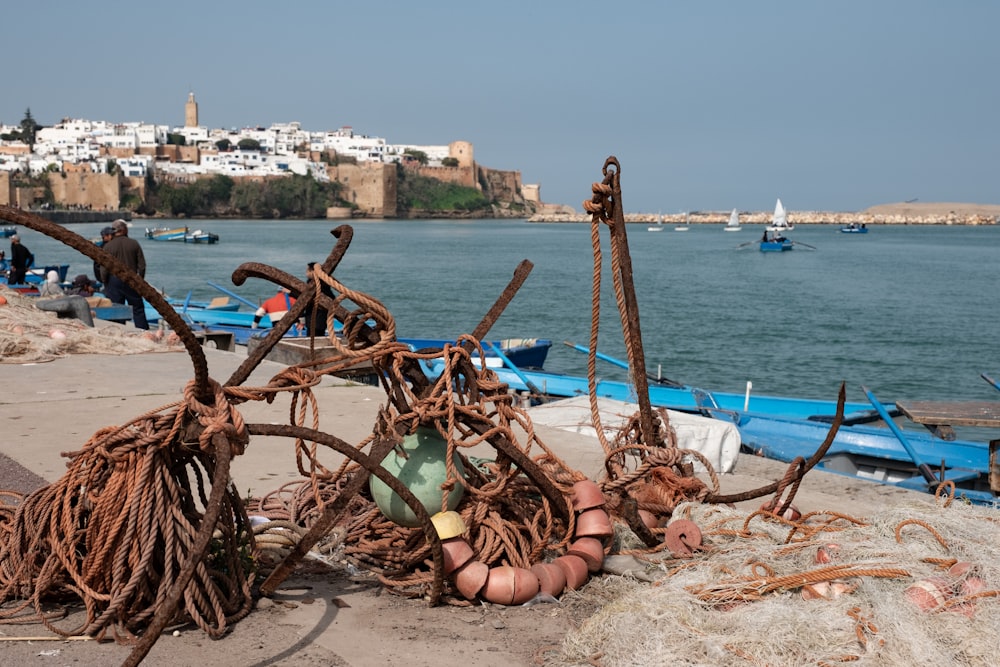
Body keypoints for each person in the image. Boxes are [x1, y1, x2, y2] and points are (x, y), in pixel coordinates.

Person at [99, 219, 149, 329]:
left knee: (116, 309)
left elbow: (104, 268)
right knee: (138, 308)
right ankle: (143, 332)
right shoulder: (134, 244)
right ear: (124, 230)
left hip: (114, 281)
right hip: (132, 279)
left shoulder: (108, 246)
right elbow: (142, 265)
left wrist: (105, 281)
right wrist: (140, 280)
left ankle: (119, 332)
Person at [304, 262, 334, 337]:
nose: (306, 273)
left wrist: (291, 292)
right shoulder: (325, 284)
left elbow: (304, 297)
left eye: (307, 271)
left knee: (314, 337)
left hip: (315, 319)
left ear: (313, 271)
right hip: (320, 320)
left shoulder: (318, 286)